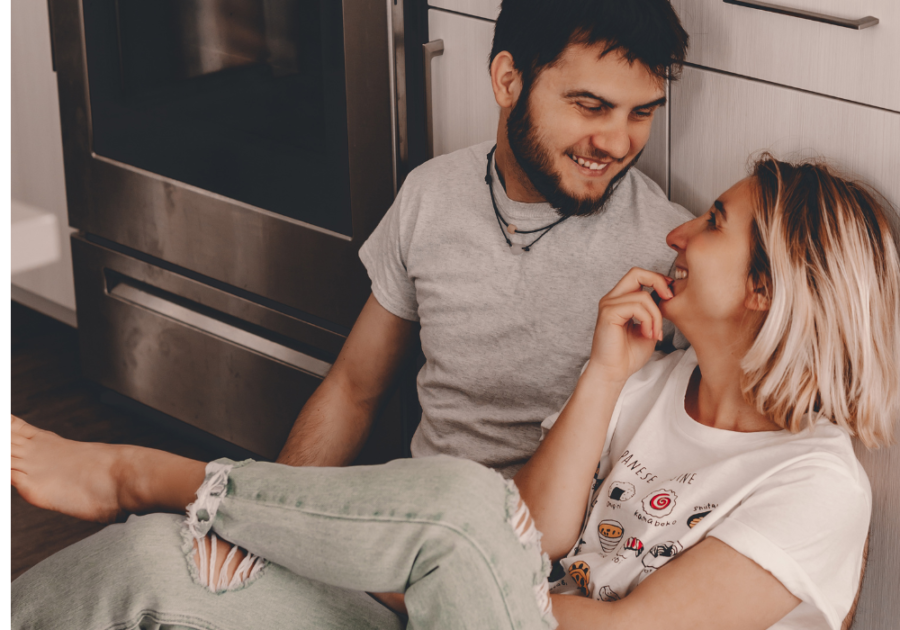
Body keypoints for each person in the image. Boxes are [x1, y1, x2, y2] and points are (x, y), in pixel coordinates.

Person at [12, 155, 899, 629]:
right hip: (468, 616)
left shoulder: (818, 488)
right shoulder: (653, 384)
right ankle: (175, 508)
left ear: (765, 289)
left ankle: (153, 473)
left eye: (713, 223)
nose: (677, 229)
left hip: (486, 616)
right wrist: (602, 372)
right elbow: (538, 531)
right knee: (151, 566)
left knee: (462, 503)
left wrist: (424, 573)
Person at [274, 0, 692, 478]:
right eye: (591, 107)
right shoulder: (431, 194)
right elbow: (353, 390)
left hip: (563, 541)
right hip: (420, 514)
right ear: (508, 81)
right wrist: (275, 508)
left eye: (641, 113)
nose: (618, 144)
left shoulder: (670, 248)